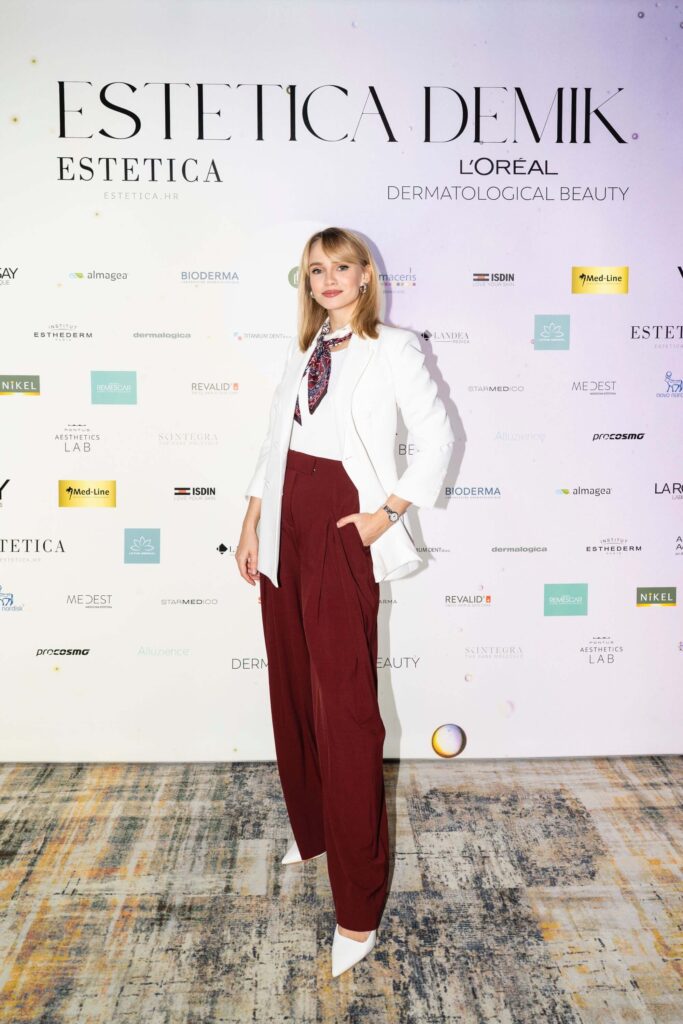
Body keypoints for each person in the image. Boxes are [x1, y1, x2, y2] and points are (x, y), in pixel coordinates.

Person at [236, 227, 455, 977]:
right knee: (292, 684)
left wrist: (384, 515)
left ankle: (358, 906)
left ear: (365, 276)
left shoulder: (394, 348)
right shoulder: (304, 349)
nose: (327, 279)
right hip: (284, 516)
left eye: (340, 267)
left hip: (340, 518)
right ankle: (315, 830)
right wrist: (251, 521)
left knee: (348, 709)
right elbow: (274, 441)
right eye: (315, 270)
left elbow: (436, 439)